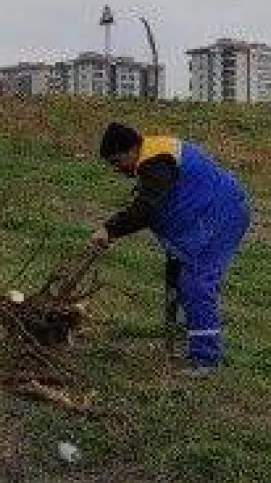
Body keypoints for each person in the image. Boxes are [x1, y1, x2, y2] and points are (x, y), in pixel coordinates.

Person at [90, 122, 250, 376]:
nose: (116, 169)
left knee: (195, 283)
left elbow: (146, 209)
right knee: (177, 279)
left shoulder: (156, 162)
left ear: (131, 149)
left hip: (220, 218)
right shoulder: (155, 154)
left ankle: (206, 360)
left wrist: (110, 229)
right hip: (207, 217)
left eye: (116, 160)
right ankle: (176, 342)